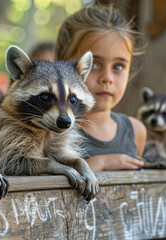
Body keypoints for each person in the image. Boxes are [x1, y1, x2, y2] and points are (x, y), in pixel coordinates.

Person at [55, 4, 146, 171]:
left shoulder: (135, 131)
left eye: (118, 67)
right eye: (94, 64)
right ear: (63, 64)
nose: (107, 78)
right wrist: (95, 165)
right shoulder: (53, 130)